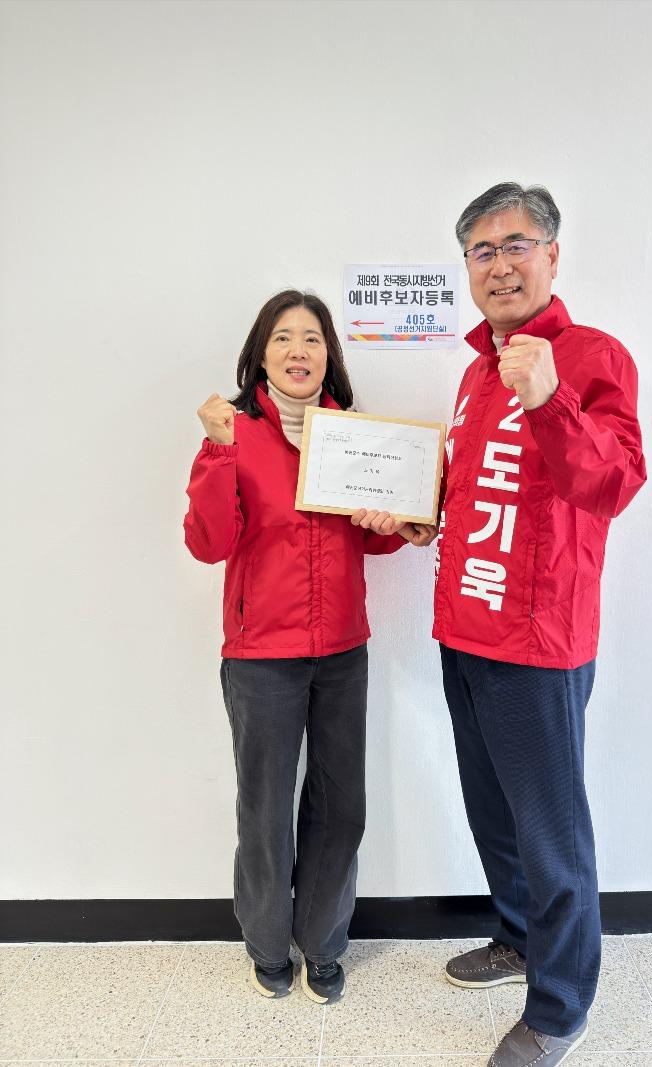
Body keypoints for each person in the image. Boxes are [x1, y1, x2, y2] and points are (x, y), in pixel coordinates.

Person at [432, 184, 647, 1066]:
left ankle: (559, 1007)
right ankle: (520, 937)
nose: (500, 264)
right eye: (482, 251)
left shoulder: (594, 356)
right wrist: (416, 516)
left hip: (539, 640)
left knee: (551, 833)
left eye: (516, 244)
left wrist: (552, 397)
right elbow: (473, 495)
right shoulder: (476, 373)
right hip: (463, 628)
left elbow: (615, 484)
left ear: (552, 255)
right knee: (494, 816)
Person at [183, 289, 434, 1006]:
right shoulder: (235, 434)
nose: (299, 350)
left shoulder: (353, 434)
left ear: (330, 355)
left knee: (340, 804)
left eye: (313, 338)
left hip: (342, 651)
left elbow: (372, 539)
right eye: (284, 337)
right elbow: (208, 543)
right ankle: (267, 944)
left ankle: (323, 942)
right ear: (260, 354)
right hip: (261, 654)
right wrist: (217, 450)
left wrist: (397, 522)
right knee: (265, 809)